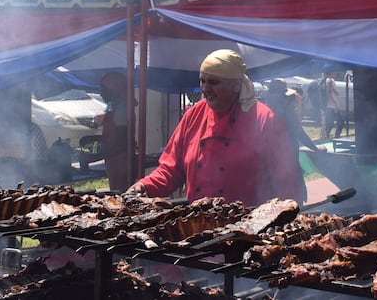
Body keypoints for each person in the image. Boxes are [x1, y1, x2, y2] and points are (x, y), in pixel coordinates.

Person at [125, 49, 304, 206]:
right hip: (200, 227)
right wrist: (145, 186)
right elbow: (170, 170)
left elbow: (287, 182)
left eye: (213, 82)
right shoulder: (193, 116)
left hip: (249, 231)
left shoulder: (264, 120)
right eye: (203, 81)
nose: (205, 89)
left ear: (235, 85)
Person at [264, 78, 327, 202]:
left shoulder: (263, 110)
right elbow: (300, 133)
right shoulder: (286, 110)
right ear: (282, 94)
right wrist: (315, 148)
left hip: (268, 165)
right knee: (292, 197)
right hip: (288, 160)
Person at [99, 71, 136, 192]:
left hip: (122, 163)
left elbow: (122, 141)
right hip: (115, 163)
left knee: (121, 196)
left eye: (104, 89)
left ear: (114, 90)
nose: (101, 93)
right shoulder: (115, 107)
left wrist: (101, 155)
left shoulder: (122, 110)